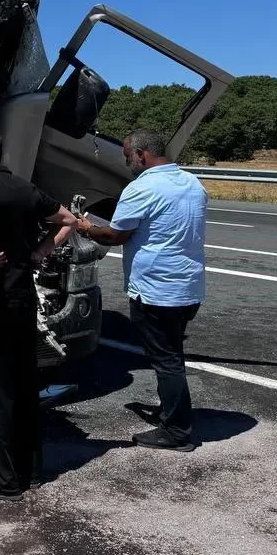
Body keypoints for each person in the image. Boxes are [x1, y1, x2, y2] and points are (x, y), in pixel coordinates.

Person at [0, 130, 79, 501]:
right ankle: (31, 471)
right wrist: (41, 252)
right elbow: (70, 220)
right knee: (24, 386)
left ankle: (3, 479)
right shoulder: (25, 188)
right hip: (23, 300)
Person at [76, 128, 207, 452]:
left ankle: (177, 432)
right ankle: (172, 411)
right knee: (172, 354)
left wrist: (86, 227)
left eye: (127, 157)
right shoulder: (193, 183)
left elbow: (115, 235)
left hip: (156, 288)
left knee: (167, 361)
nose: (126, 163)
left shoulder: (142, 188)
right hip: (188, 285)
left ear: (141, 154)